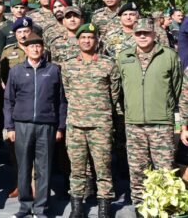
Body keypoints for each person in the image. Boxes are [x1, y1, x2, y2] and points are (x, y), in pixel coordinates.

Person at [117, 18, 181, 206]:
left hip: (161, 124)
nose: (142, 36)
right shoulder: (124, 57)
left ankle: (164, 207)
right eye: (139, 33)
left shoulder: (168, 56)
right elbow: (119, 89)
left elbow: (178, 88)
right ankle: (140, 205)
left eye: (146, 33)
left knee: (165, 170)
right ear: (133, 35)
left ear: (154, 34)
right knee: (137, 170)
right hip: (134, 124)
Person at [4, 33, 67, 218]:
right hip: (22, 125)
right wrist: (10, 127)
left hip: (46, 126)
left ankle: (41, 208)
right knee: (23, 167)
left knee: (44, 168)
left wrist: (60, 127)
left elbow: (61, 101)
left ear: (43, 48)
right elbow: (9, 101)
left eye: (39, 46)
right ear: (26, 49)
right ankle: (25, 206)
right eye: (32, 46)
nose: (35, 49)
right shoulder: (15, 71)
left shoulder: (53, 70)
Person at [61, 23, 120, 218]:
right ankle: (77, 207)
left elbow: (114, 94)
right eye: (83, 37)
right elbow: (67, 92)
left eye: (91, 37)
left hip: (100, 126)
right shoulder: (68, 65)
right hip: (76, 125)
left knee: (103, 168)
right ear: (78, 41)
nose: (87, 41)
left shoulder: (108, 64)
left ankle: (105, 207)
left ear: (97, 40)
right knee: (77, 169)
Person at [0, 17, 33, 198]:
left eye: (26, 31)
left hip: (35, 103)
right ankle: (20, 184)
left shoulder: (39, 48)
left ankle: (34, 185)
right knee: (14, 147)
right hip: (15, 103)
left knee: (35, 149)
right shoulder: (8, 51)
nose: (23, 35)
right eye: (19, 32)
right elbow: (3, 76)